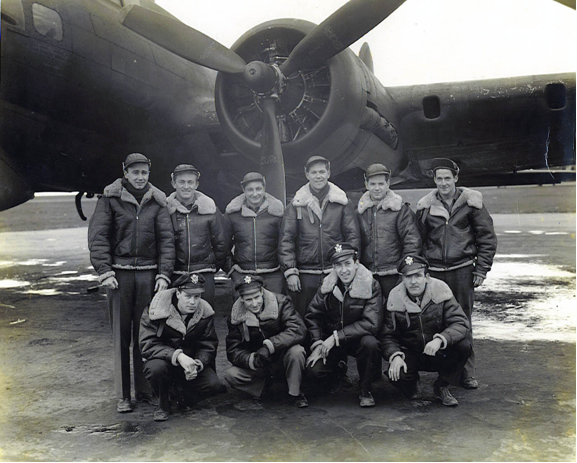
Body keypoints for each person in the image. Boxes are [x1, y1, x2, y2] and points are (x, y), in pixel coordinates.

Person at [88, 153, 175, 413]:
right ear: (125, 173)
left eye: (144, 173)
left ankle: (145, 390)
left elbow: (167, 242)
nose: (140, 178)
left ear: (149, 174)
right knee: (121, 337)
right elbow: (99, 237)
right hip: (119, 277)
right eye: (135, 172)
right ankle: (124, 395)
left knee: (145, 335)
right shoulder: (109, 200)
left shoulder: (157, 202)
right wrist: (105, 271)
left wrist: (163, 275)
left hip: (148, 275)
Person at [416, 158, 497, 389]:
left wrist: (481, 269)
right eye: (439, 179)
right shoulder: (425, 206)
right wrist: (422, 272)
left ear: (456, 178)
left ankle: (466, 372)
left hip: (461, 271)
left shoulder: (472, 204)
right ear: (434, 180)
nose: (443, 183)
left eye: (447, 178)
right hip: (434, 273)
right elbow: (418, 241)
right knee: (434, 321)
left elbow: (487, 239)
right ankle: (444, 372)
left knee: (463, 321)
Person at [379, 255, 471, 406]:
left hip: (438, 351)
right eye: (408, 277)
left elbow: (460, 323)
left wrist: (440, 339)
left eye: (418, 276)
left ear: (427, 277)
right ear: (402, 279)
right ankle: (412, 383)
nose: (413, 281)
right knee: (398, 376)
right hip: (411, 352)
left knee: (464, 346)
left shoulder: (441, 292)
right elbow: (387, 336)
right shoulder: (395, 298)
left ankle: (441, 386)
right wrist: (394, 355)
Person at [279, 155, 361, 317]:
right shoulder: (296, 205)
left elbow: (353, 237)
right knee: (305, 316)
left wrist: (349, 267)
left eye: (322, 172)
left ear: (329, 173)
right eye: (314, 172)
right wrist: (291, 271)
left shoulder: (342, 202)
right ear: (306, 174)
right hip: (305, 274)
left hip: (335, 271)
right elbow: (286, 240)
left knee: (335, 317)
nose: (318, 176)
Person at [139, 273, 226, 421]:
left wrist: (198, 364)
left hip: (190, 364)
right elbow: (147, 344)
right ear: (178, 293)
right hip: (164, 361)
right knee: (155, 369)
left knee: (213, 385)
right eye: (188, 296)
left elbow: (209, 344)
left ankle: (182, 397)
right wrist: (177, 356)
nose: (193, 302)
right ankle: (163, 404)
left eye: (197, 297)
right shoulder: (155, 310)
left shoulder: (205, 313)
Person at [305, 243, 383, 407]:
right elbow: (313, 315)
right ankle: (338, 372)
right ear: (333, 267)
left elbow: (371, 323)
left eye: (347, 263)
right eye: (338, 265)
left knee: (371, 343)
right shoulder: (328, 285)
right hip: (332, 342)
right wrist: (318, 342)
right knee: (314, 371)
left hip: (357, 340)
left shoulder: (371, 284)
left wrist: (336, 337)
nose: (344, 270)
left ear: (356, 263)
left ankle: (365, 389)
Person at [224, 276, 309, 408]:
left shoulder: (282, 302)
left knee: (297, 352)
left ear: (262, 292)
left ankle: (295, 393)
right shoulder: (235, 316)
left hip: (283, 358)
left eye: (257, 297)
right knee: (232, 374)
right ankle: (262, 389)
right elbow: (233, 349)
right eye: (248, 300)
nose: (254, 303)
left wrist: (270, 345)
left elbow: (297, 329)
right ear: (241, 299)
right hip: (260, 363)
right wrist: (251, 359)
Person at [166, 164, 228, 308]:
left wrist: (210, 264)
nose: (186, 186)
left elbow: (221, 242)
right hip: (175, 273)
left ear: (196, 184)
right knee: (175, 316)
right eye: (181, 182)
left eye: (190, 182)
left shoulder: (210, 209)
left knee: (204, 316)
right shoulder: (165, 210)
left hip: (204, 272)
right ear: (173, 183)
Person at [357, 163, 422, 299]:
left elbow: (411, 241)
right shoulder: (359, 212)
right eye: (373, 184)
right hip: (367, 274)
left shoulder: (400, 210)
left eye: (381, 184)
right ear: (366, 184)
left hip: (393, 274)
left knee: (394, 314)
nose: (377, 188)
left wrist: (406, 270)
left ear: (388, 184)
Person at [224, 172, 285, 295]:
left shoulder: (277, 213)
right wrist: (231, 270)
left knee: (274, 310)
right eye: (250, 190)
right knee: (244, 312)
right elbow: (222, 244)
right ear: (243, 190)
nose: (255, 194)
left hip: (273, 274)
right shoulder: (233, 214)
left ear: (264, 188)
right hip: (243, 273)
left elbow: (286, 243)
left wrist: (284, 271)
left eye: (258, 189)